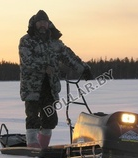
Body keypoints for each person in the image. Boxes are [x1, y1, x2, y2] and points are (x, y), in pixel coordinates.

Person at [19, 10, 92, 149]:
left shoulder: (55, 43)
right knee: (33, 117)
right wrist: (44, 67)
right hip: (31, 87)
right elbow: (27, 60)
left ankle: (42, 147)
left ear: (48, 24)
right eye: (40, 22)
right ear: (35, 23)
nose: (42, 25)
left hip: (50, 87)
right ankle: (32, 146)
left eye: (45, 22)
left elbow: (69, 57)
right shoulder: (26, 40)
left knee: (50, 120)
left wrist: (84, 69)